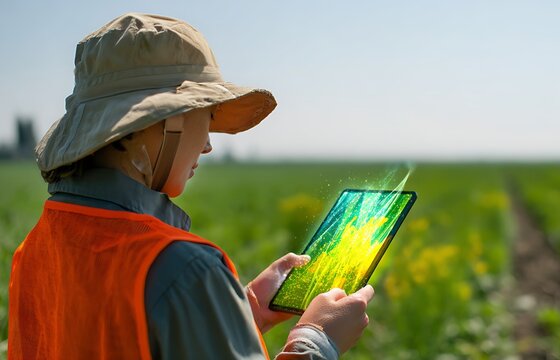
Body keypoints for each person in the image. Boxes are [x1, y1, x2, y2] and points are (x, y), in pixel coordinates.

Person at [8, 13, 374, 360]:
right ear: (157, 125)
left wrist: (243, 309)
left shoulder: (35, 248)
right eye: (207, 114)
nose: (208, 145)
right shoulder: (186, 269)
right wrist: (316, 341)